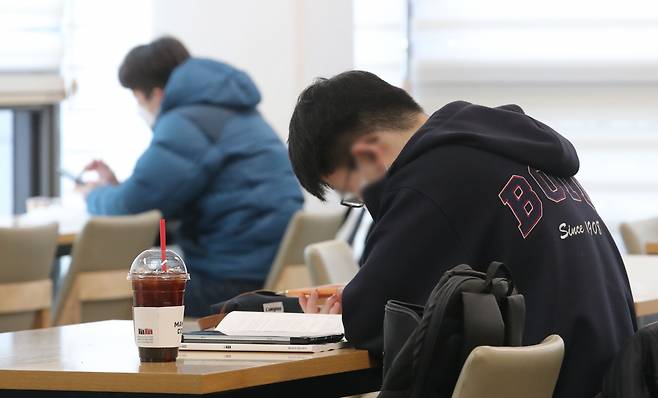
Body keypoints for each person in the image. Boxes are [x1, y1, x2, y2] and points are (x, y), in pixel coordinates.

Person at [288, 70, 636, 397]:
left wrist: (343, 311)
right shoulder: (508, 148)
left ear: (367, 155)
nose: (365, 201)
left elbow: (369, 321)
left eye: (354, 193)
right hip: (609, 376)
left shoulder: (431, 180)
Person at [78, 37, 304, 316]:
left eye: (138, 99)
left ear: (157, 93)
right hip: (272, 272)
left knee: (118, 300)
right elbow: (164, 193)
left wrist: (94, 194)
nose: (141, 109)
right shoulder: (240, 112)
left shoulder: (186, 121)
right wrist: (116, 187)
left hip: (229, 282)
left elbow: (132, 203)